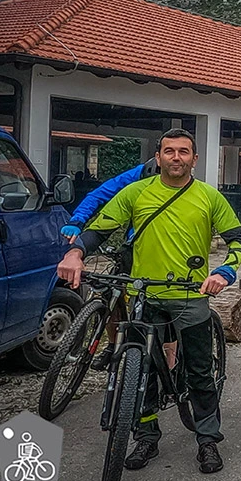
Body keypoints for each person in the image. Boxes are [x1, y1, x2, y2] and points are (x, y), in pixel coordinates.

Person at [56, 129, 241, 474]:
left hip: (190, 295)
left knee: (200, 372)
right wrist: (75, 252)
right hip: (144, 295)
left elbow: (237, 241)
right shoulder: (136, 192)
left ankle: (207, 439)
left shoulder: (209, 197)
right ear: (157, 157)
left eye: (184, 152)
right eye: (169, 151)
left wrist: (224, 272)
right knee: (141, 370)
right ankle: (146, 436)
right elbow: (98, 230)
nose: (176, 157)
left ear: (195, 159)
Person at [59, 157, 161, 369]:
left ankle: (170, 361)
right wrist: (78, 220)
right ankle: (113, 344)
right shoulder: (139, 174)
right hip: (135, 245)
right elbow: (99, 195)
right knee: (112, 291)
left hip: (166, 251)